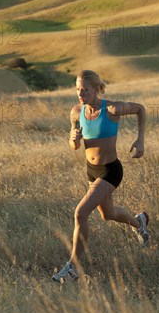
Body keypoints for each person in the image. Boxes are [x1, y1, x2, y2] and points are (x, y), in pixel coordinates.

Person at [52, 69, 149, 283]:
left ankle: (73, 268)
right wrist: (74, 139)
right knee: (109, 214)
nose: (80, 94)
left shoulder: (112, 109)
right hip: (92, 171)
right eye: (77, 89)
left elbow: (140, 109)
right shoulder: (76, 112)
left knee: (80, 213)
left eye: (84, 90)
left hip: (110, 171)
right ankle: (139, 223)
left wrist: (140, 140)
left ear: (96, 89)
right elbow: (74, 146)